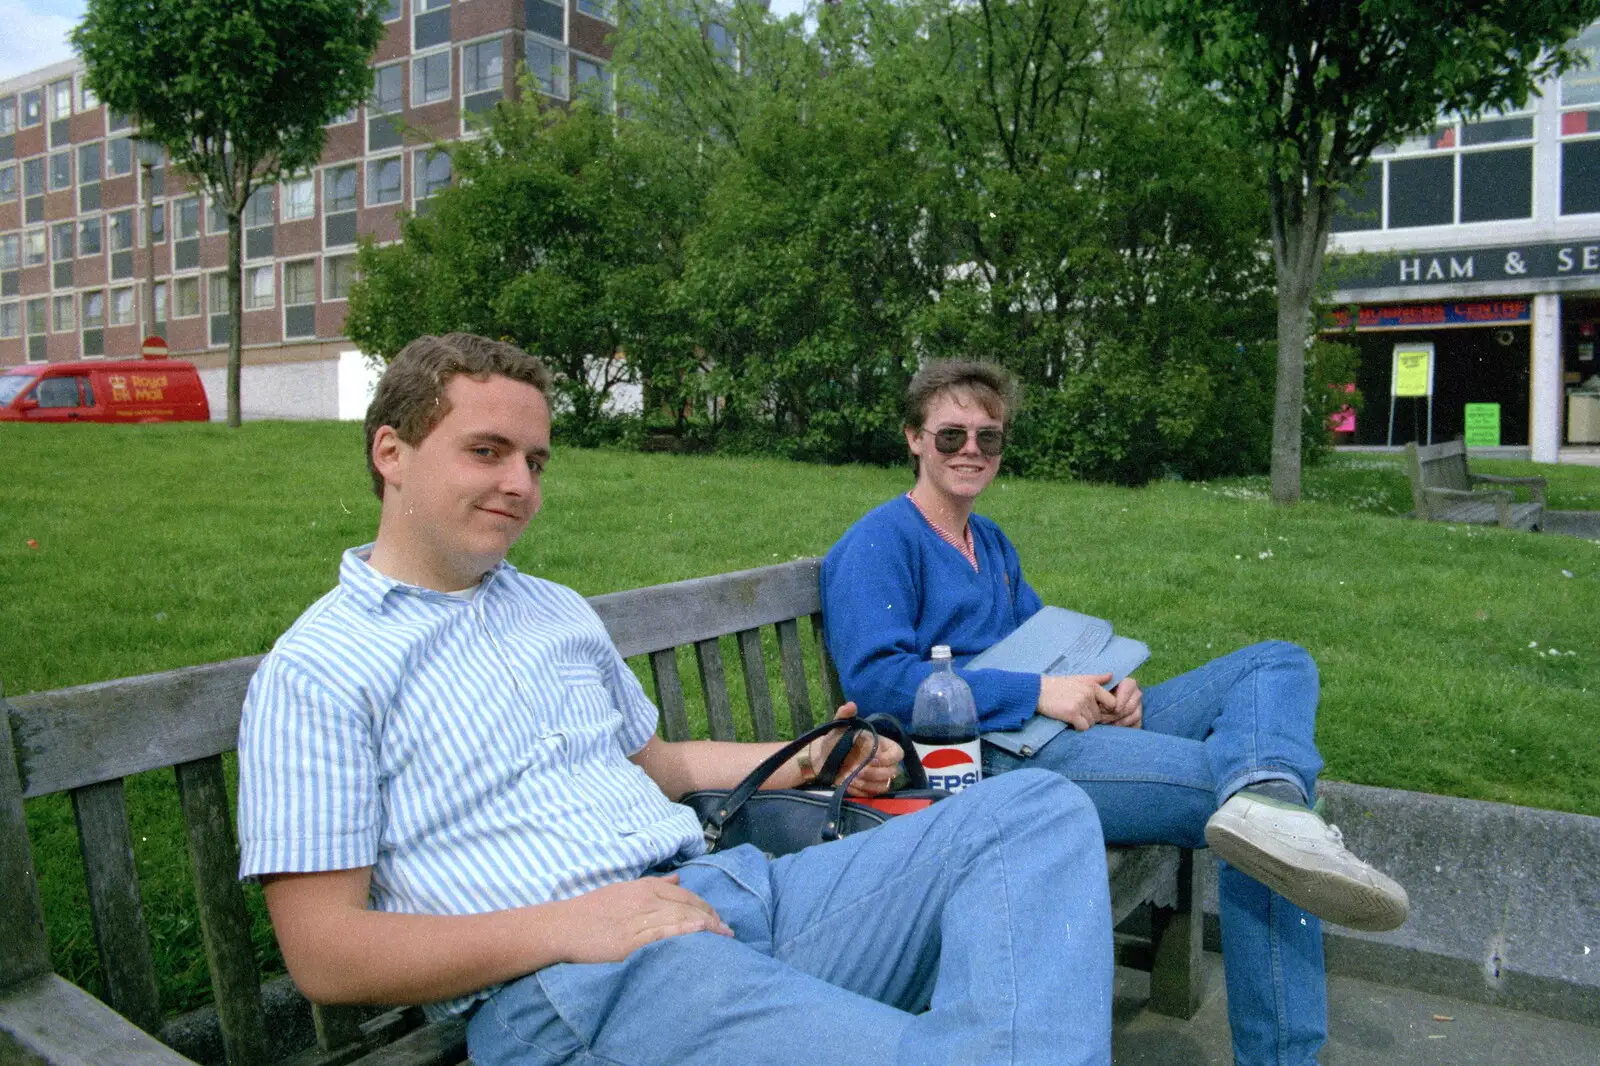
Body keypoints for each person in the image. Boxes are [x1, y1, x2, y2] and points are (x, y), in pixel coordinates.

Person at [237, 334, 1117, 1066]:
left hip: (735, 893)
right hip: (582, 984)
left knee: (1033, 812)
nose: (521, 486)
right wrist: (574, 923)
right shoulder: (321, 670)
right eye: (486, 451)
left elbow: (664, 768)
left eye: (535, 460)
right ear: (391, 452)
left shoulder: (552, 610)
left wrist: (812, 757)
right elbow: (326, 954)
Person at [820, 358, 1411, 1066]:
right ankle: (1284, 1051)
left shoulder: (990, 542)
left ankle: (1271, 791)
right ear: (914, 439)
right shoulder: (880, 542)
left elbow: (1051, 646)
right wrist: (1037, 694)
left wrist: (1110, 687)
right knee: (1250, 813)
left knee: (1276, 663)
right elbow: (883, 684)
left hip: (1056, 727)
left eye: (989, 437)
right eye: (951, 436)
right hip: (987, 758)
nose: (971, 450)